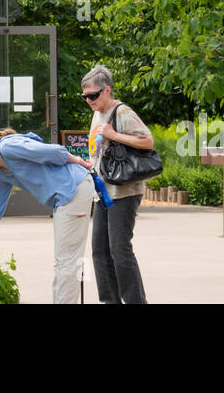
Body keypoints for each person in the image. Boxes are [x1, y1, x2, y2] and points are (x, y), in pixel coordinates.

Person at [0, 121, 95, 304]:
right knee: (63, 261)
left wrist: (79, 161)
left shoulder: (9, 147)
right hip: (64, 197)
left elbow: (55, 152)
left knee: (67, 262)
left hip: (75, 188)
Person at [84, 65, 154, 304]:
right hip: (103, 190)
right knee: (99, 250)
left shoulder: (121, 111)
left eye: (93, 95)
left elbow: (147, 141)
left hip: (124, 191)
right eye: (85, 96)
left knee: (119, 250)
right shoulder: (96, 114)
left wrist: (114, 135)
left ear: (107, 90)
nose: (89, 100)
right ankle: (109, 300)